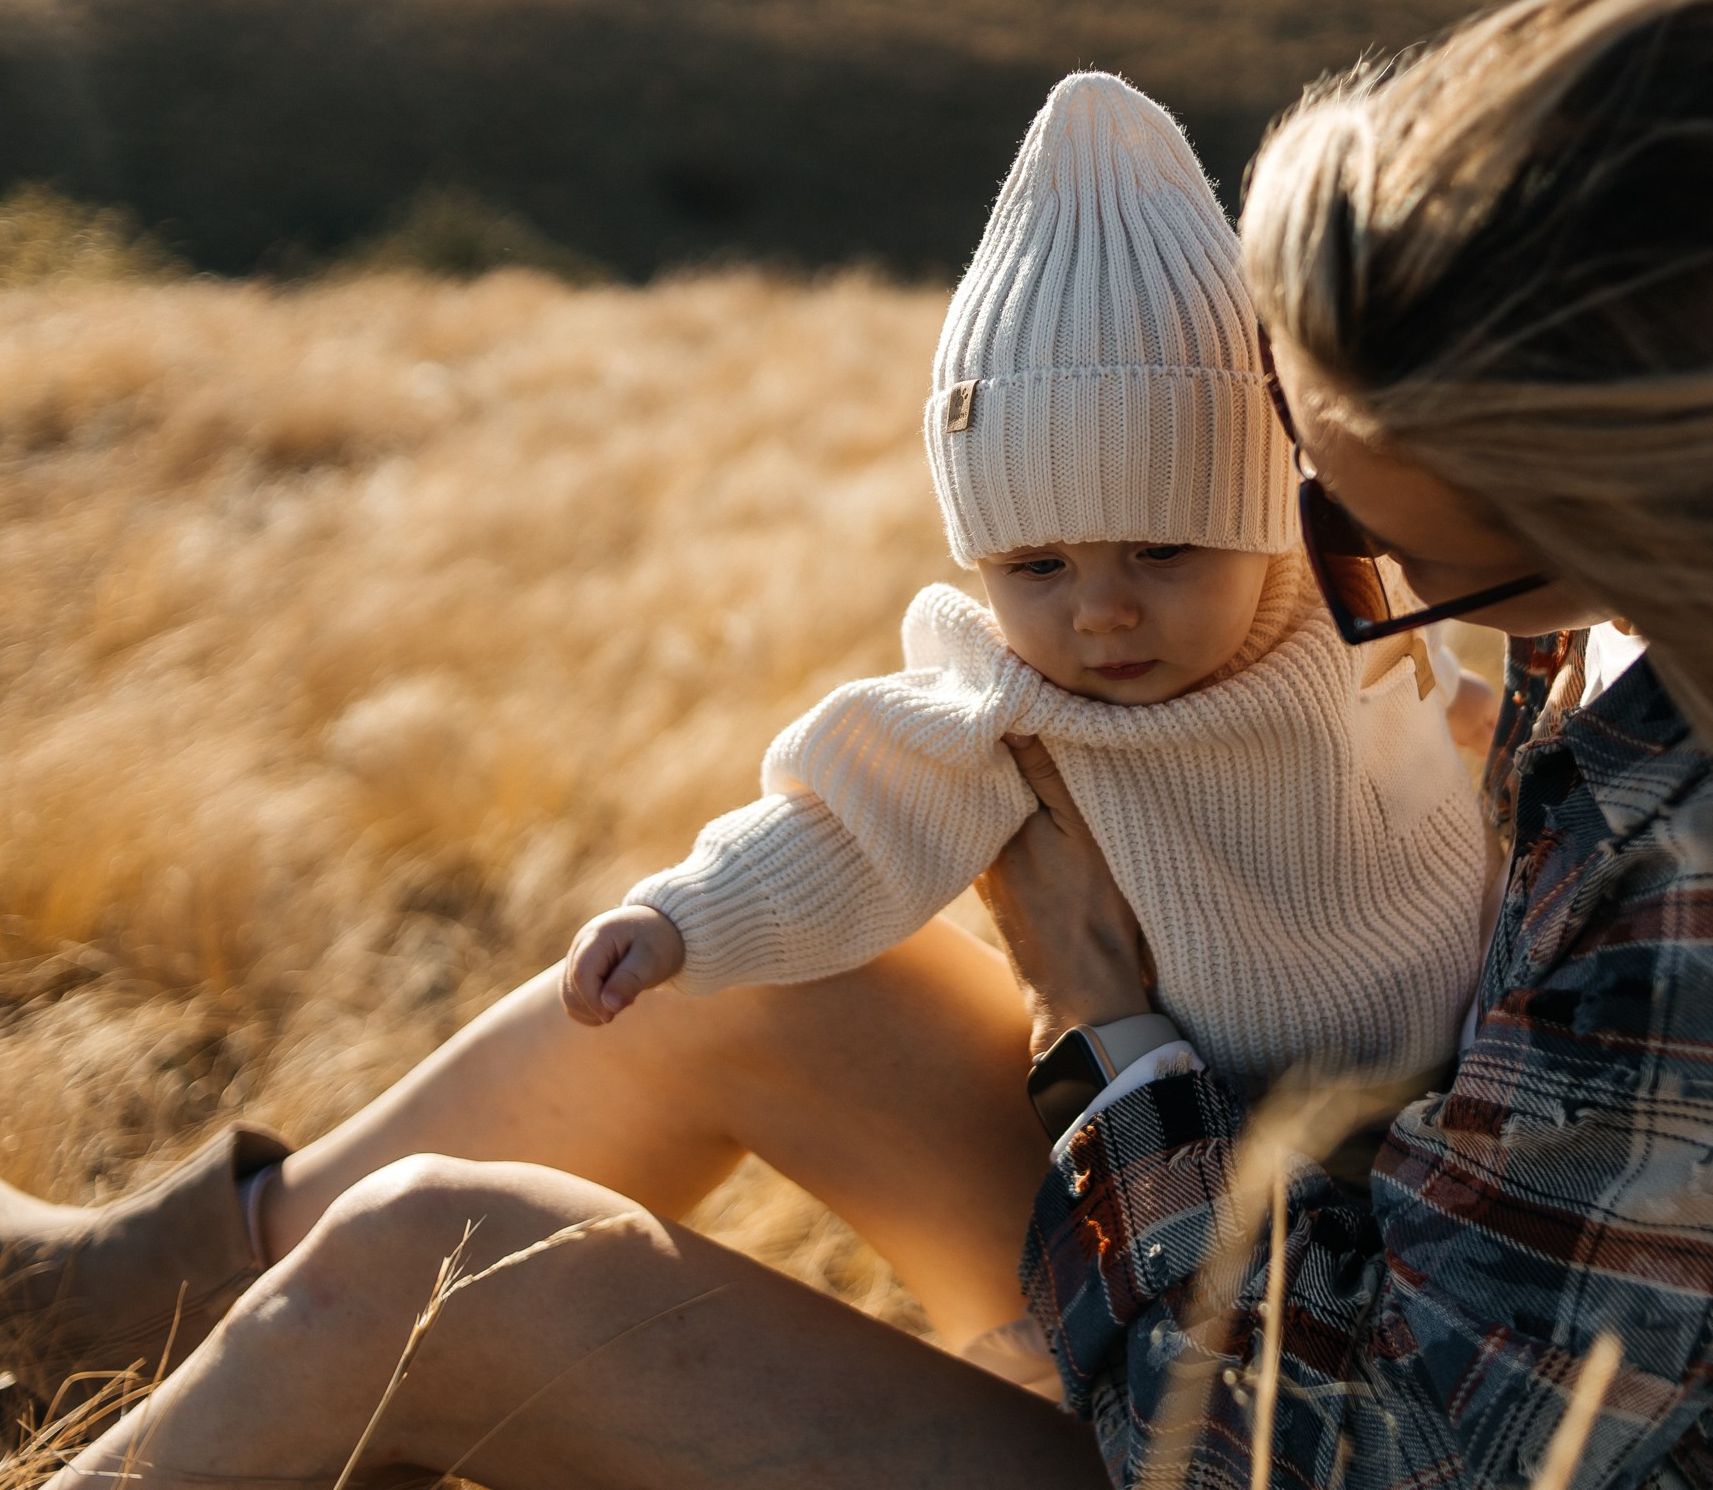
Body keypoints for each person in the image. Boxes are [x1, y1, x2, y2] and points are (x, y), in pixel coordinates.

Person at [0, 0, 1713, 1489]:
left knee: (429, 1268)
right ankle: (81, 1301)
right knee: (779, 959)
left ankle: (185, 1341)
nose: (1345, 606)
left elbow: (1388, 1464)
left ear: (1644, 482)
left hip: (1337, 1442)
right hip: (1384, 1296)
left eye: (1393, 555)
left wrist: (1099, 1023)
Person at [570, 70, 1496, 1111]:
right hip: (1234, 1136)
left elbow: (1420, 675)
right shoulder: (1011, 712)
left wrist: (1489, 720)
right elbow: (844, 827)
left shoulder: (1329, 592)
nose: (1101, 612)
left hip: (1484, 1058)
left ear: (1262, 516)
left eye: (1162, 550)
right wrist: (678, 917)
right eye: (1037, 568)